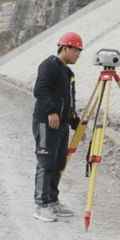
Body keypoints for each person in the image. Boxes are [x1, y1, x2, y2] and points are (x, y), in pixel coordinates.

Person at [31, 31, 83, 222]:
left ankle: (52, 201)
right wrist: (51, 112)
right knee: (46, 162)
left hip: (61, 125)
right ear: (65, 47)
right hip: (46, 122)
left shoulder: (67, 72)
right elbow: (40, 90)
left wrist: (75, 123)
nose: (78, 55)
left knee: (58, 162)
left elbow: (68, 102)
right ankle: (41, 205)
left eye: (79, 52)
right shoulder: (49, 65)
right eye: (76, 51)